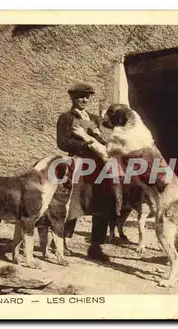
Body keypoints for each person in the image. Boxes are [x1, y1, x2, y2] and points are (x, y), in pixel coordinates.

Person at [56, 82, 115, 262]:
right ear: (73, 98)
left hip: (98, 166)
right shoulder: (66, 118)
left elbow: (106, 141)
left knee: (102, 203)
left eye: (87, 96)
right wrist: (85, 145)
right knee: (73, 202)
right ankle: (61, 242)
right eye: (81, 96)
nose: (84, 100)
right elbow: (63, 142)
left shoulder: (96, 119)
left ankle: (96, 247)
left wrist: (93, 137)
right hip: (80, 163)